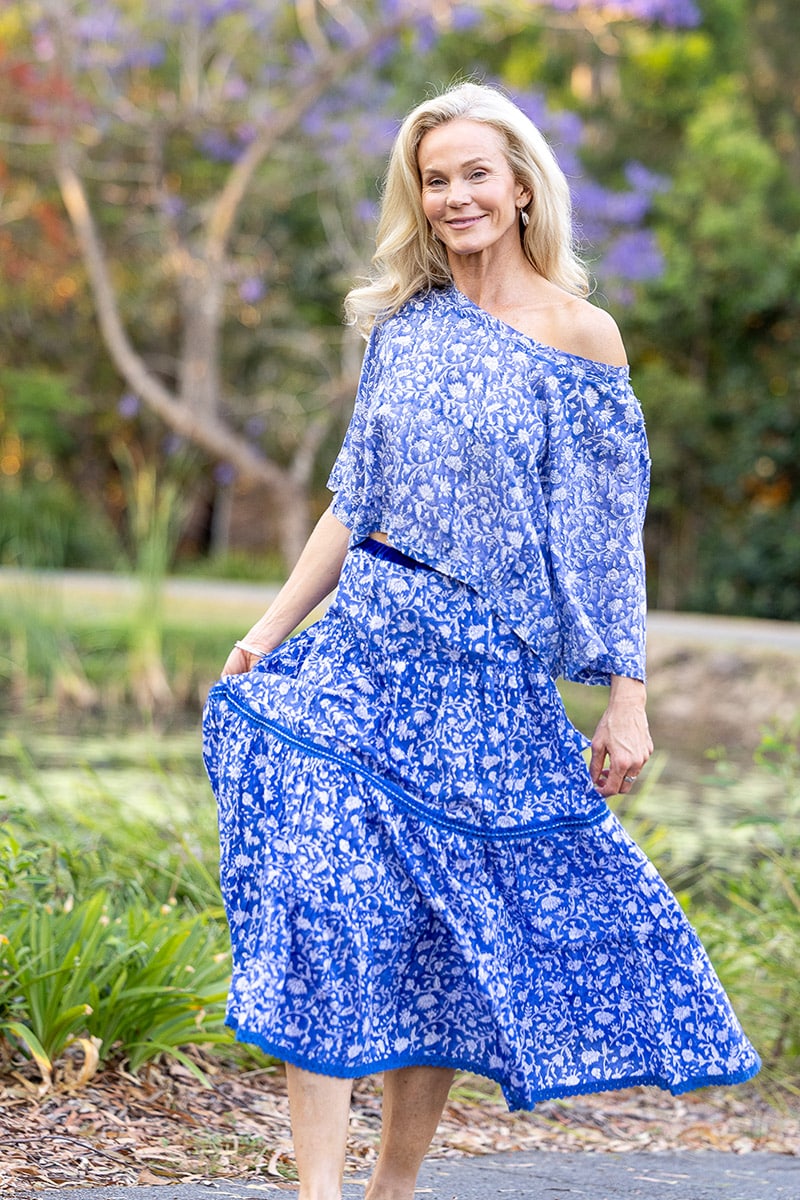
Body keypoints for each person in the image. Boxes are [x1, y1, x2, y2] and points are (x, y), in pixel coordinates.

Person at [203, 82, 760, 1200]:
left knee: (440, 934)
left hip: (485, 676)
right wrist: (267, 632)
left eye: (471, 173)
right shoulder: (402, 326)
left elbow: (607, 537)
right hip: (363, 646)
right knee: (321, 898)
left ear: (517, 188)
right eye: (433, 178)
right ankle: (317, 1192)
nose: (452, 195)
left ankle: (391, 1188)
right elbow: (349, 502)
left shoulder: (580, 336)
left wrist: (625, 696)